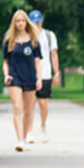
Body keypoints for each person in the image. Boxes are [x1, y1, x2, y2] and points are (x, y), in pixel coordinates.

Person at [2, 9, 42, 152]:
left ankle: (25, 138)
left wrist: (39, 78)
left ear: (27, 22)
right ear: (14, 23)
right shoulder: (9, 41)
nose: (20, 23)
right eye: (17, 21)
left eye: (22, 21)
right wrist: (6, 75)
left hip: (30, 77)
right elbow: (5, 62)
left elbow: (37, 62)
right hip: (14, 77)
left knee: (28, 110)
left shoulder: (34, 41)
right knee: (17, 108)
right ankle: (19, 140)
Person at [27, 10, 61, 143]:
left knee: (43, 104)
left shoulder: (49, 35)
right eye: (34, 21)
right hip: (30, 75)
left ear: (42, 20)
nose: (36, 24)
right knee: (29, 104)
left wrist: (56, 73)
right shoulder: (26, 35)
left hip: (46, 73)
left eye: (38, 21)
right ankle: (29, 130)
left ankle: (42, 125)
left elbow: (54, 54)